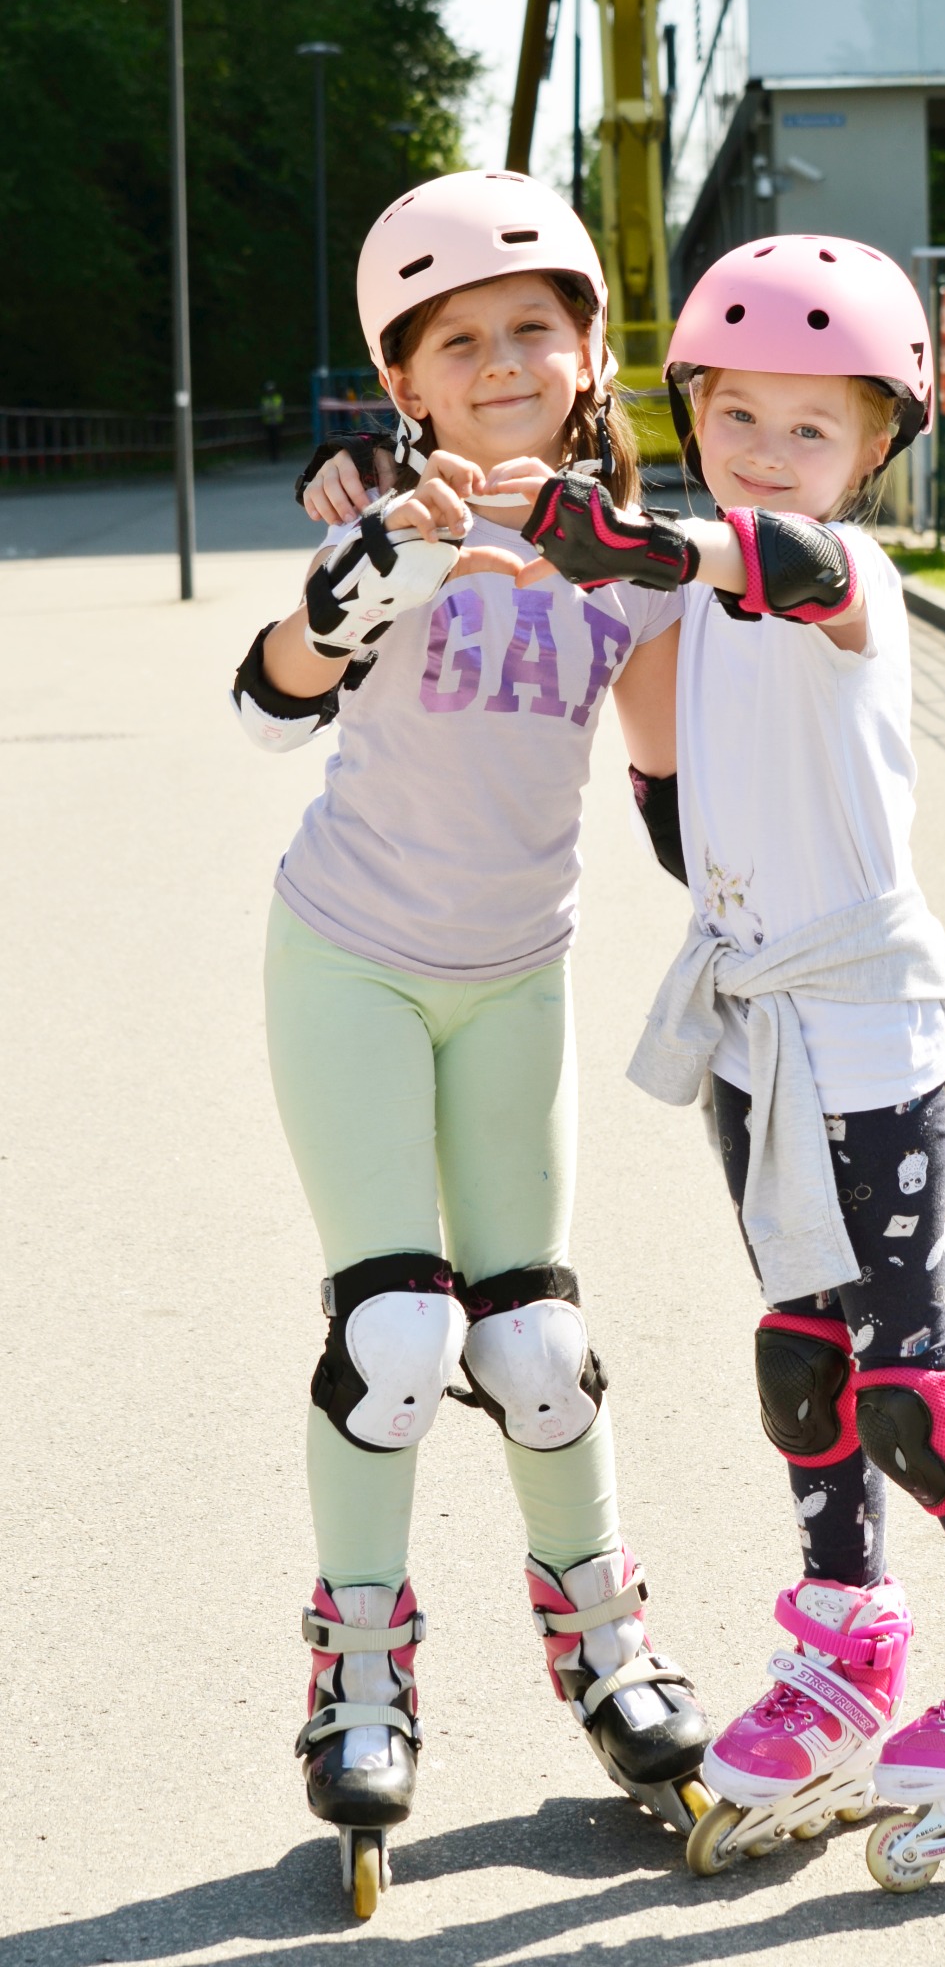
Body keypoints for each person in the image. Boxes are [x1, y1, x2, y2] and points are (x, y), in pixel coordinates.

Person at [515, 234, 945, 1890]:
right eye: (737, 416)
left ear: (874, 450)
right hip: (755, 1014)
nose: (766, 451)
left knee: (903, 1376)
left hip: (861, 1023)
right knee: (804, 1359)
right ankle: (844, 1646)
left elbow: (783, 562)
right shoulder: (690, 590)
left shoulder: (836, 578)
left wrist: (659, 539)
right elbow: (675, 802)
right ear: (693, 412)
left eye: (812, 428)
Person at [230, 171, 709, 1918]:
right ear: (407, 380)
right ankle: (356, 1666)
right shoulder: (390, 514)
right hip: (349, 957)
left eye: (536, 326)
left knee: (543, 1348)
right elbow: (267, 697)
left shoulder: (631, 569)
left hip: (520, 975)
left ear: (591, 354)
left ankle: (608, 1640)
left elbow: (675, 793)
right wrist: (360, 576)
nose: (503, 358)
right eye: (461, 340)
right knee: (397, 1330)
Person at [260, 379, 284, 463]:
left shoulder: (278, 398)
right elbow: (263, 410)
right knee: (270, 440)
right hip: (268, 422)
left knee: (276, 439)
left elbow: (280, 409)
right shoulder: (265, 399)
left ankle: (276, 455)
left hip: (277, 422)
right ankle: (272, 455)